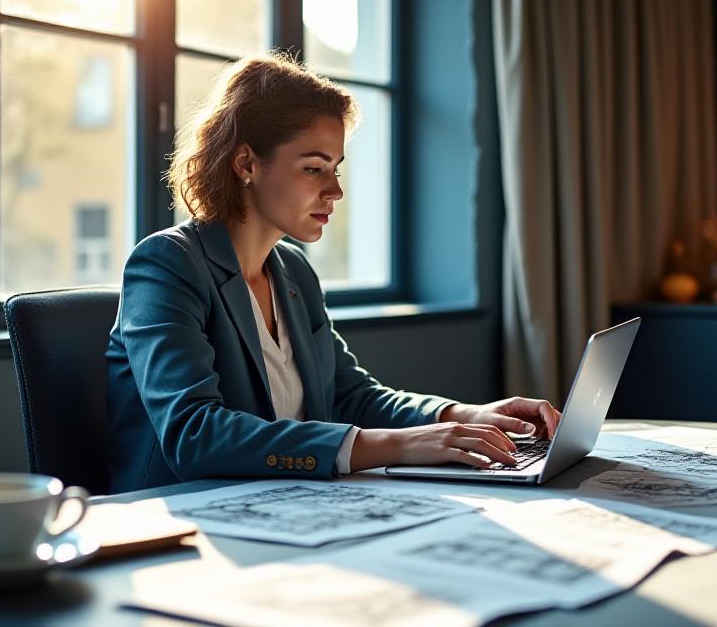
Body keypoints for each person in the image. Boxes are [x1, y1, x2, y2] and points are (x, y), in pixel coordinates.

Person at [106, 54, 560, 492]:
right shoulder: (167, 264)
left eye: (335, 168)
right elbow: (195, 435)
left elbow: (350, 396)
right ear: (246, 164)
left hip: (282, 503)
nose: (335, 190)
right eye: (313, 168)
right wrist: (400, 446)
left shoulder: (294, 272)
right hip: (182, 523)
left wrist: (461, 416)